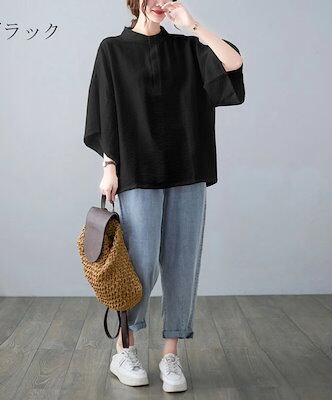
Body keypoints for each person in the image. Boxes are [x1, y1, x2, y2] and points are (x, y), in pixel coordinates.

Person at [83, 0, 245, 393]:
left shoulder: (188, 48)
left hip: (187, 167)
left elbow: (233, 63)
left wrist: (194, 26)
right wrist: (109, 166)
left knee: (182, 263)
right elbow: (105, 110)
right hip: (138, 168)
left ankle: (171, 355)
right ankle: (124, 348)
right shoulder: (112, 50)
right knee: (138, 263)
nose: (158, 3)